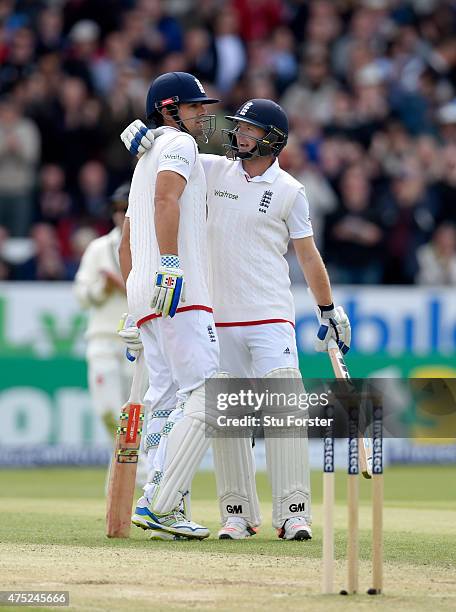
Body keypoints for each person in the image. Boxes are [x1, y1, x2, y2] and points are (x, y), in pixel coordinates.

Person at [121, 98, 351, 540]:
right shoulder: (212, 169)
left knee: (284, 406)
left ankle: (294, 512)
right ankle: (237, 513)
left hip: (269, 316)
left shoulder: (291, 191)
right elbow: (169, 160)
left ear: (274, 139)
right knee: (227, 415)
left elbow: (308, 257)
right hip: (217, 316)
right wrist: (144, 136)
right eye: (239, 127)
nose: (239, 135)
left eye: (250, 130)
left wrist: (327, 308)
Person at [119, 71, 226, 540]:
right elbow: (168, 198)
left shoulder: (145, 156)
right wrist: (170, 264)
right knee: (206, 393)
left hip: (145, 292)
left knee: (163, 398)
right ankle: (162, 502)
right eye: (194, 105)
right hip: (178, 288)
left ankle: (157, 496)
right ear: (169, 108)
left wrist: (133, 298)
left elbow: (125, 239)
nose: (204, 112)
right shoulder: (177, 146)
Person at [74, 184, 148, 483]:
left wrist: (125, 286)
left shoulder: (148, 246)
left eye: (126, 208)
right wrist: (100, 289)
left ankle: (127, 479)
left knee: (134, 416)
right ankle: (136, 475)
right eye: (118, 209)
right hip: (103, 340)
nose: (121, 215)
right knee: (108, 412)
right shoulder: (99, 248)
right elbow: (81, 295)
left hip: (136, 342)